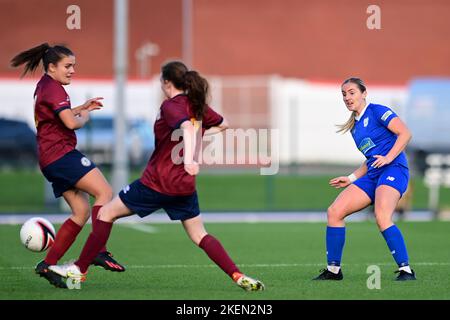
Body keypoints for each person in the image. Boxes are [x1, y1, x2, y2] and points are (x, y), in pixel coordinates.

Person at [49, 61, 265, 291]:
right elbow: (224, 125)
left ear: (166, 82)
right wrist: (199, 136)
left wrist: (191, 158)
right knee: (200, 235)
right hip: (184, 187)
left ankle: (79, 270)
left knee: (104, 214)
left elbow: (188, 129)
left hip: (157, 183)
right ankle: (237, 275)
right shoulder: (197, 104)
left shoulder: (171, 106)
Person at [10, 43, 125, 289]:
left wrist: (80, 108)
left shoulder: (45, 85)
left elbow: (58, 117)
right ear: (52, 67)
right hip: (61, 155)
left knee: (81, 212)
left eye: (73, 66)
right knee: (105, 192)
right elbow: (71, 124)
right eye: (68, 66)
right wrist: (85, 116)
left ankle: (48, 264)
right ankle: (98, 250)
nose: (72, 70)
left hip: (51, 159)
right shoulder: (55, 89)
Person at [313, 77, 416, 281]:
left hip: (394, 168)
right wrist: (351, 178)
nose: (347, 98)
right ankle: (334, 271)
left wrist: (388, 157)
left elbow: (405, 133)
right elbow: (369, 160)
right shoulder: (354, 127)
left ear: (364, 93)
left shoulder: (378, 111)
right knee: (334, 212)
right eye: (344, 94)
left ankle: (406, 270)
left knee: (381, 216)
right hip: (373, 174)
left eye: (352, 92)